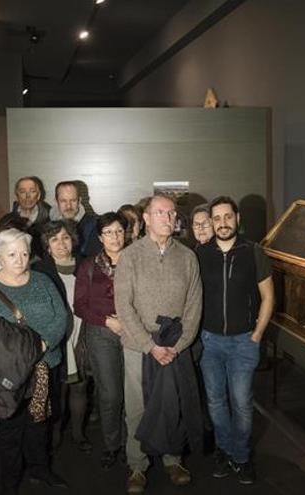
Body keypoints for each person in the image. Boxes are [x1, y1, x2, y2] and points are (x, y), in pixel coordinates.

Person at [114, 194, 203, 494]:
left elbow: (194, 306)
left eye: (172, 213)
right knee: (137, 405)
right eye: (160, 212)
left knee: (172, 402)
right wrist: (148, 344)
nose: (168, 217)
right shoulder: (130, 256)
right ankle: (137, 465)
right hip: (139, 344)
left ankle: (173, 459)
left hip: (175, 343)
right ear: (147, 218)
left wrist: (179, 345)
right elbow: (123, 306)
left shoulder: (188, 257)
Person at [0, 228, 68, 494]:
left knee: (39, 422)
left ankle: (40, 469)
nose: (20, 259)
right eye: (12, 254)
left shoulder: (42, 280)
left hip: (44, 364)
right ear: (0, 256)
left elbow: (60, 316)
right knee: (9, 428)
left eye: (24, 253)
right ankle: (10, 481)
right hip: (9, 373)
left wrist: (44, 343)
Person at [196, 196, 274, 484]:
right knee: (216, 401)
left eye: (227, 217)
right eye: (217, 218)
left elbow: (268, 297)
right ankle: (224, 449)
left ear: (237, 218)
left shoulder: (253, 252)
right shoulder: (201, 253)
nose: (223, 223)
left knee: (241, 402)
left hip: (244, 341)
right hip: (210, 342)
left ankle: (241, 456)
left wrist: (257, 334)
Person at [73, 212, 128, 467]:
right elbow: (80, 306)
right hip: (101, 332)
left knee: (135, 393)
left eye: (119, 231)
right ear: (99, 237)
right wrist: (108, 321)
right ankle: (112, 444)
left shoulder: (136, 260)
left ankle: (135, 445)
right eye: (108, 232)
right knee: (111, 394)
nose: (114, 237)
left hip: (133, 332)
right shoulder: (89, 266)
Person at [30, 220, 87, 453]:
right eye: (54, 239)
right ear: (47, 245)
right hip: (57, 336)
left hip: (84, 333)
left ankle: (79, 433)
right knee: (57, 388)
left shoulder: (86, 265)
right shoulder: (40, 270)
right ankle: (54, 434)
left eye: (65, 237)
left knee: (81, 386)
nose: (61, 244)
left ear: (73, 240)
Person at [50, 181, 99, 258]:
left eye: (73, 200)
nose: (68, 206)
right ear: (56, 201)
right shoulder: (45, 227)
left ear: (79, 201)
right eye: (63, 201)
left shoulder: (95, 227)